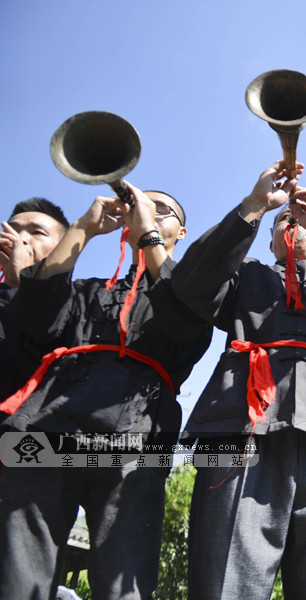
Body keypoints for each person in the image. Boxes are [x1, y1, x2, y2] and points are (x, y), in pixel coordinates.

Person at [172, 159, 306, 600]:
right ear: (271, 238)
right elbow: (191, 282)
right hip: (240, 433)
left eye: (303, 220)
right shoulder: (245, 277)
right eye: (284, 222)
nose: (294, 225)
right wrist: (254, 206)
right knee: (225, 586)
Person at [0, 185, 212, 599]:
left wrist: (146, 230)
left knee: (124, 582)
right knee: (20, 576)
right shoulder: (85, 289)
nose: (144, 212)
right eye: (138, 205)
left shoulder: (191, 289)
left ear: (181, 232)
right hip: (46, 426)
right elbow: (32, 316)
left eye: (160, 209)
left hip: (138, 437)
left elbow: (187, 325)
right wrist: (83, 228)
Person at [0, 197, 69, 400]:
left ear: (60, 249)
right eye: (11, 230)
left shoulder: (76, 301)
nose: (19, 239)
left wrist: (19, 283)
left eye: (37, 232)